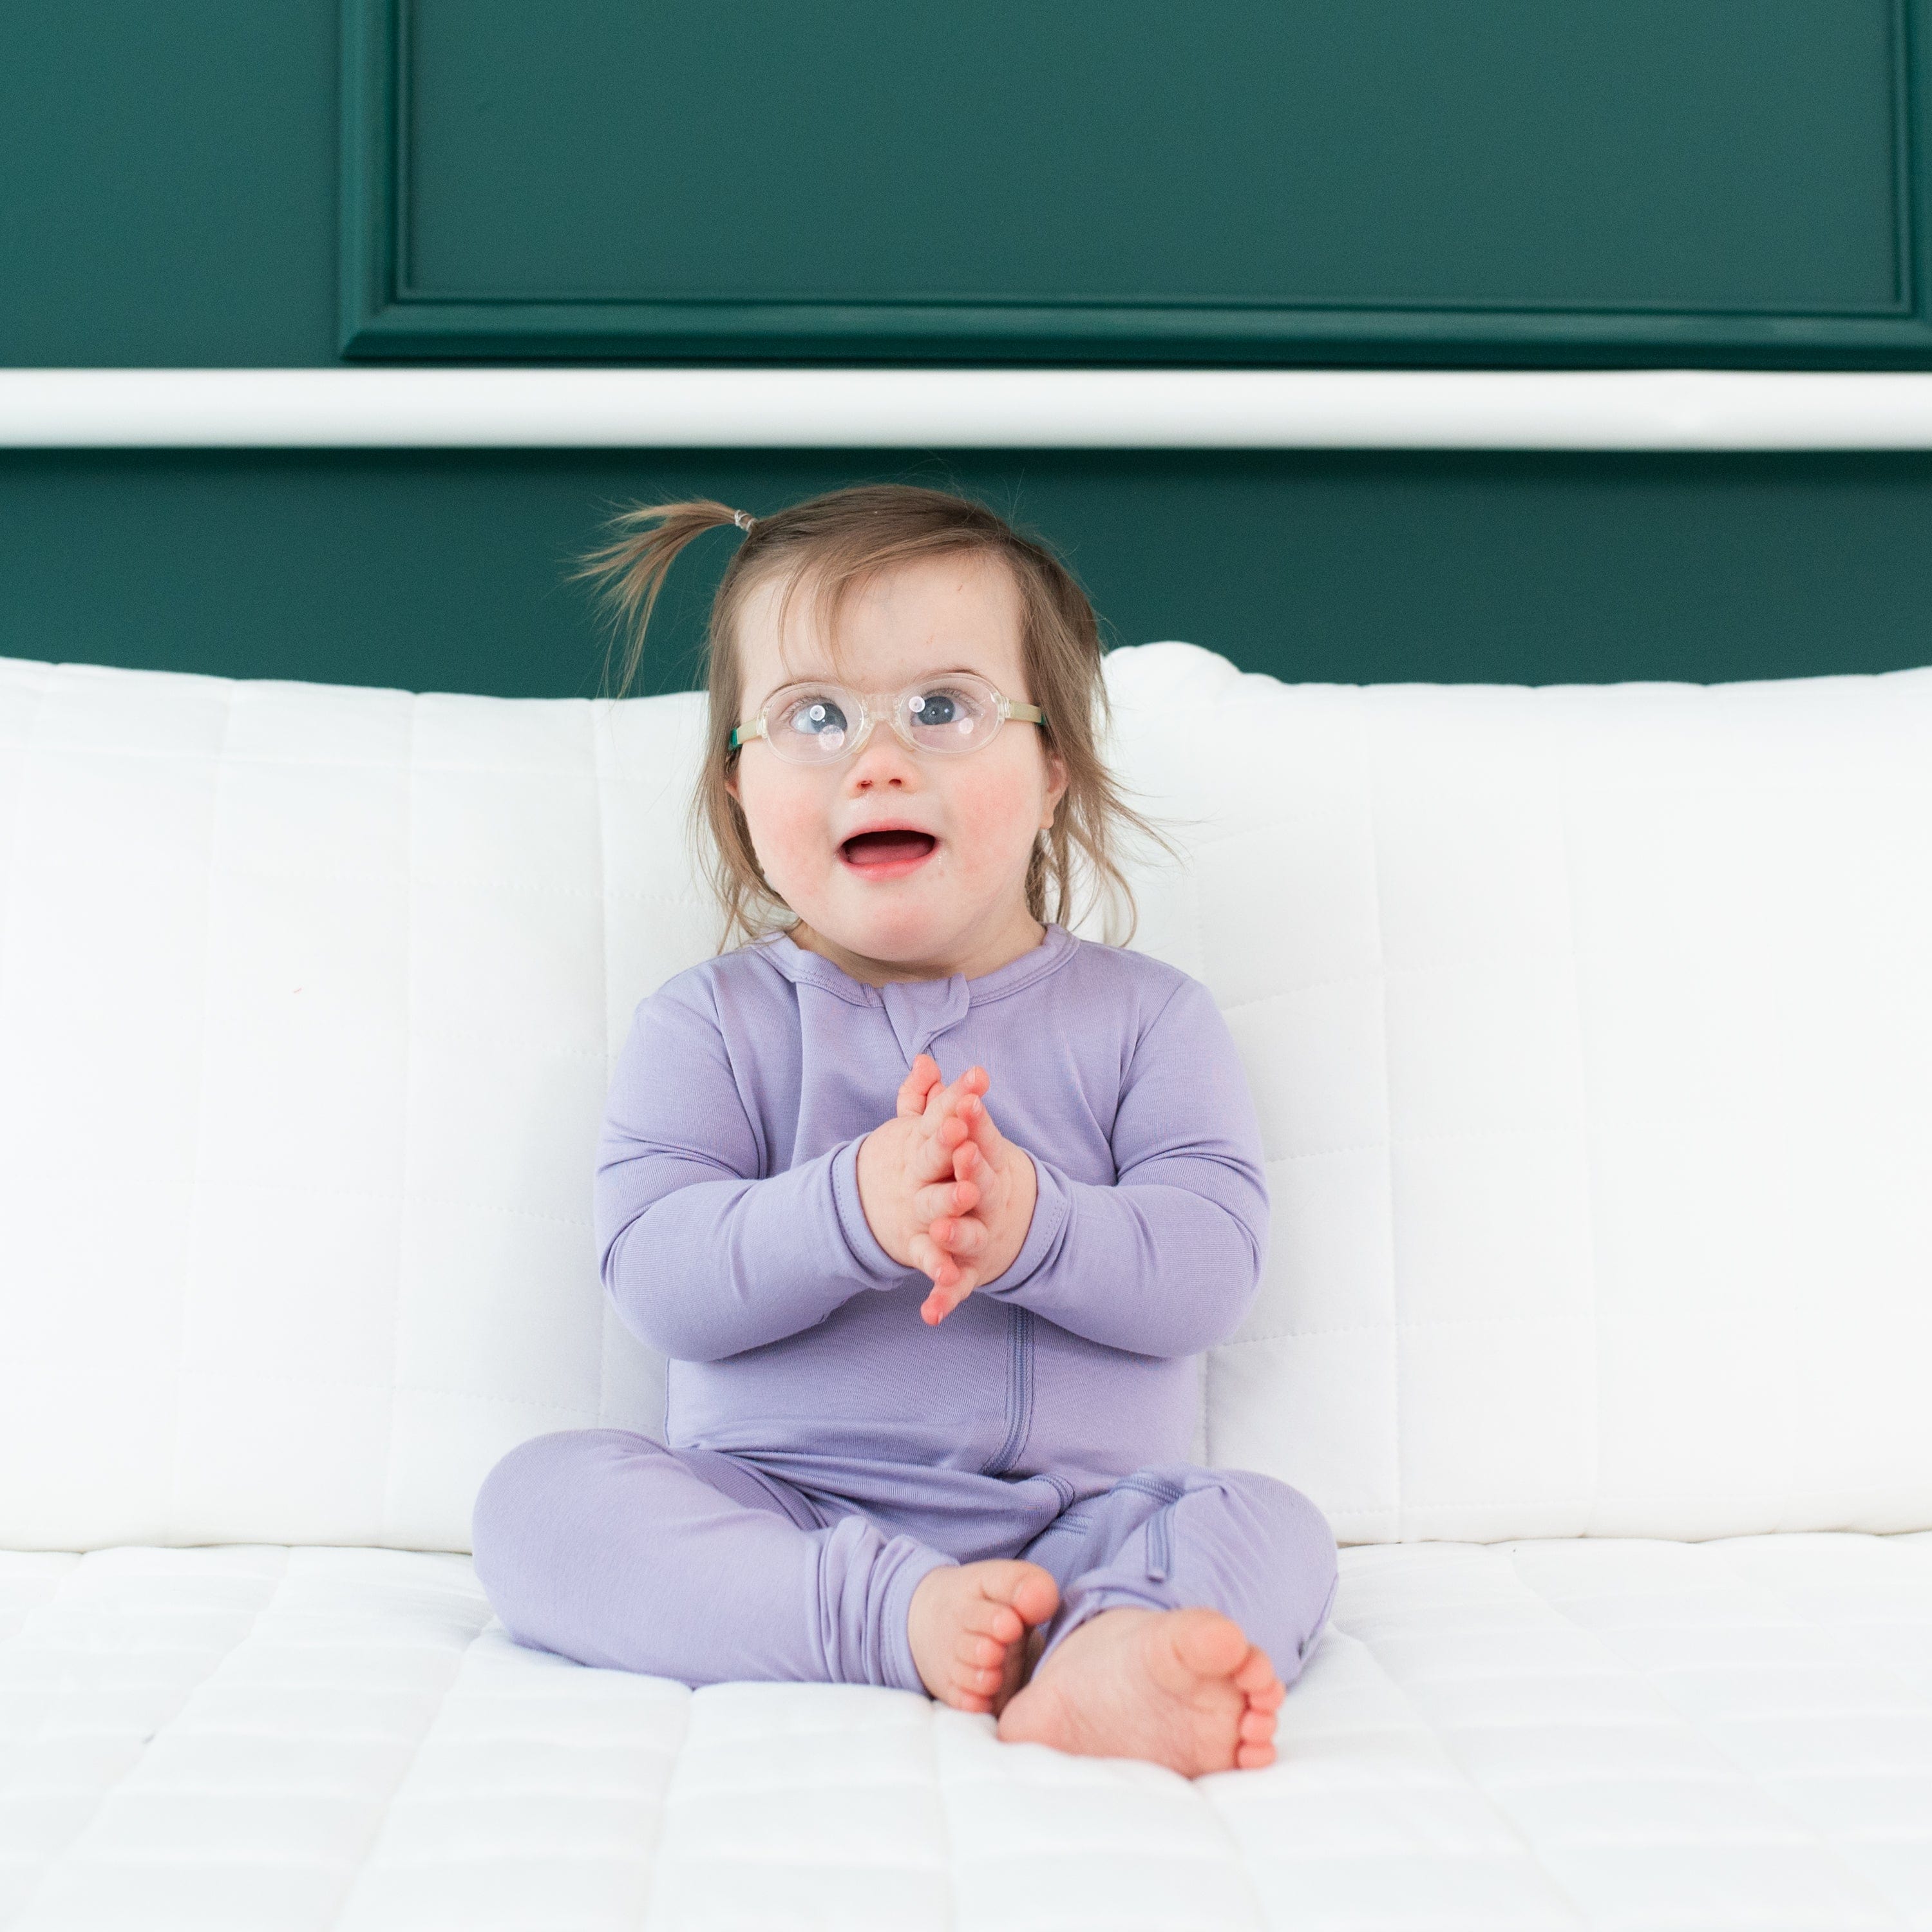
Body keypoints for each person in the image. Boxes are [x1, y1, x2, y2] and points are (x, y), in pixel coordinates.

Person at [471, 484, 1338, 1777]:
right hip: (781, 1515)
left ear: (1052, 767)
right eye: (813, 717)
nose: (879, 760)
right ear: (739, 788)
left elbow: (1209, 1271)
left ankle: (1113, 1644)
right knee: (535, 1508)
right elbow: (659, 1279)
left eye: (943, 708)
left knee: (1274, 1526)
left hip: (1086, 1519)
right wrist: (852, 1211)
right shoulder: (709, 1026)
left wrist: (1038, 1223)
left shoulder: (1149, 1020)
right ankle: (897, 1622)